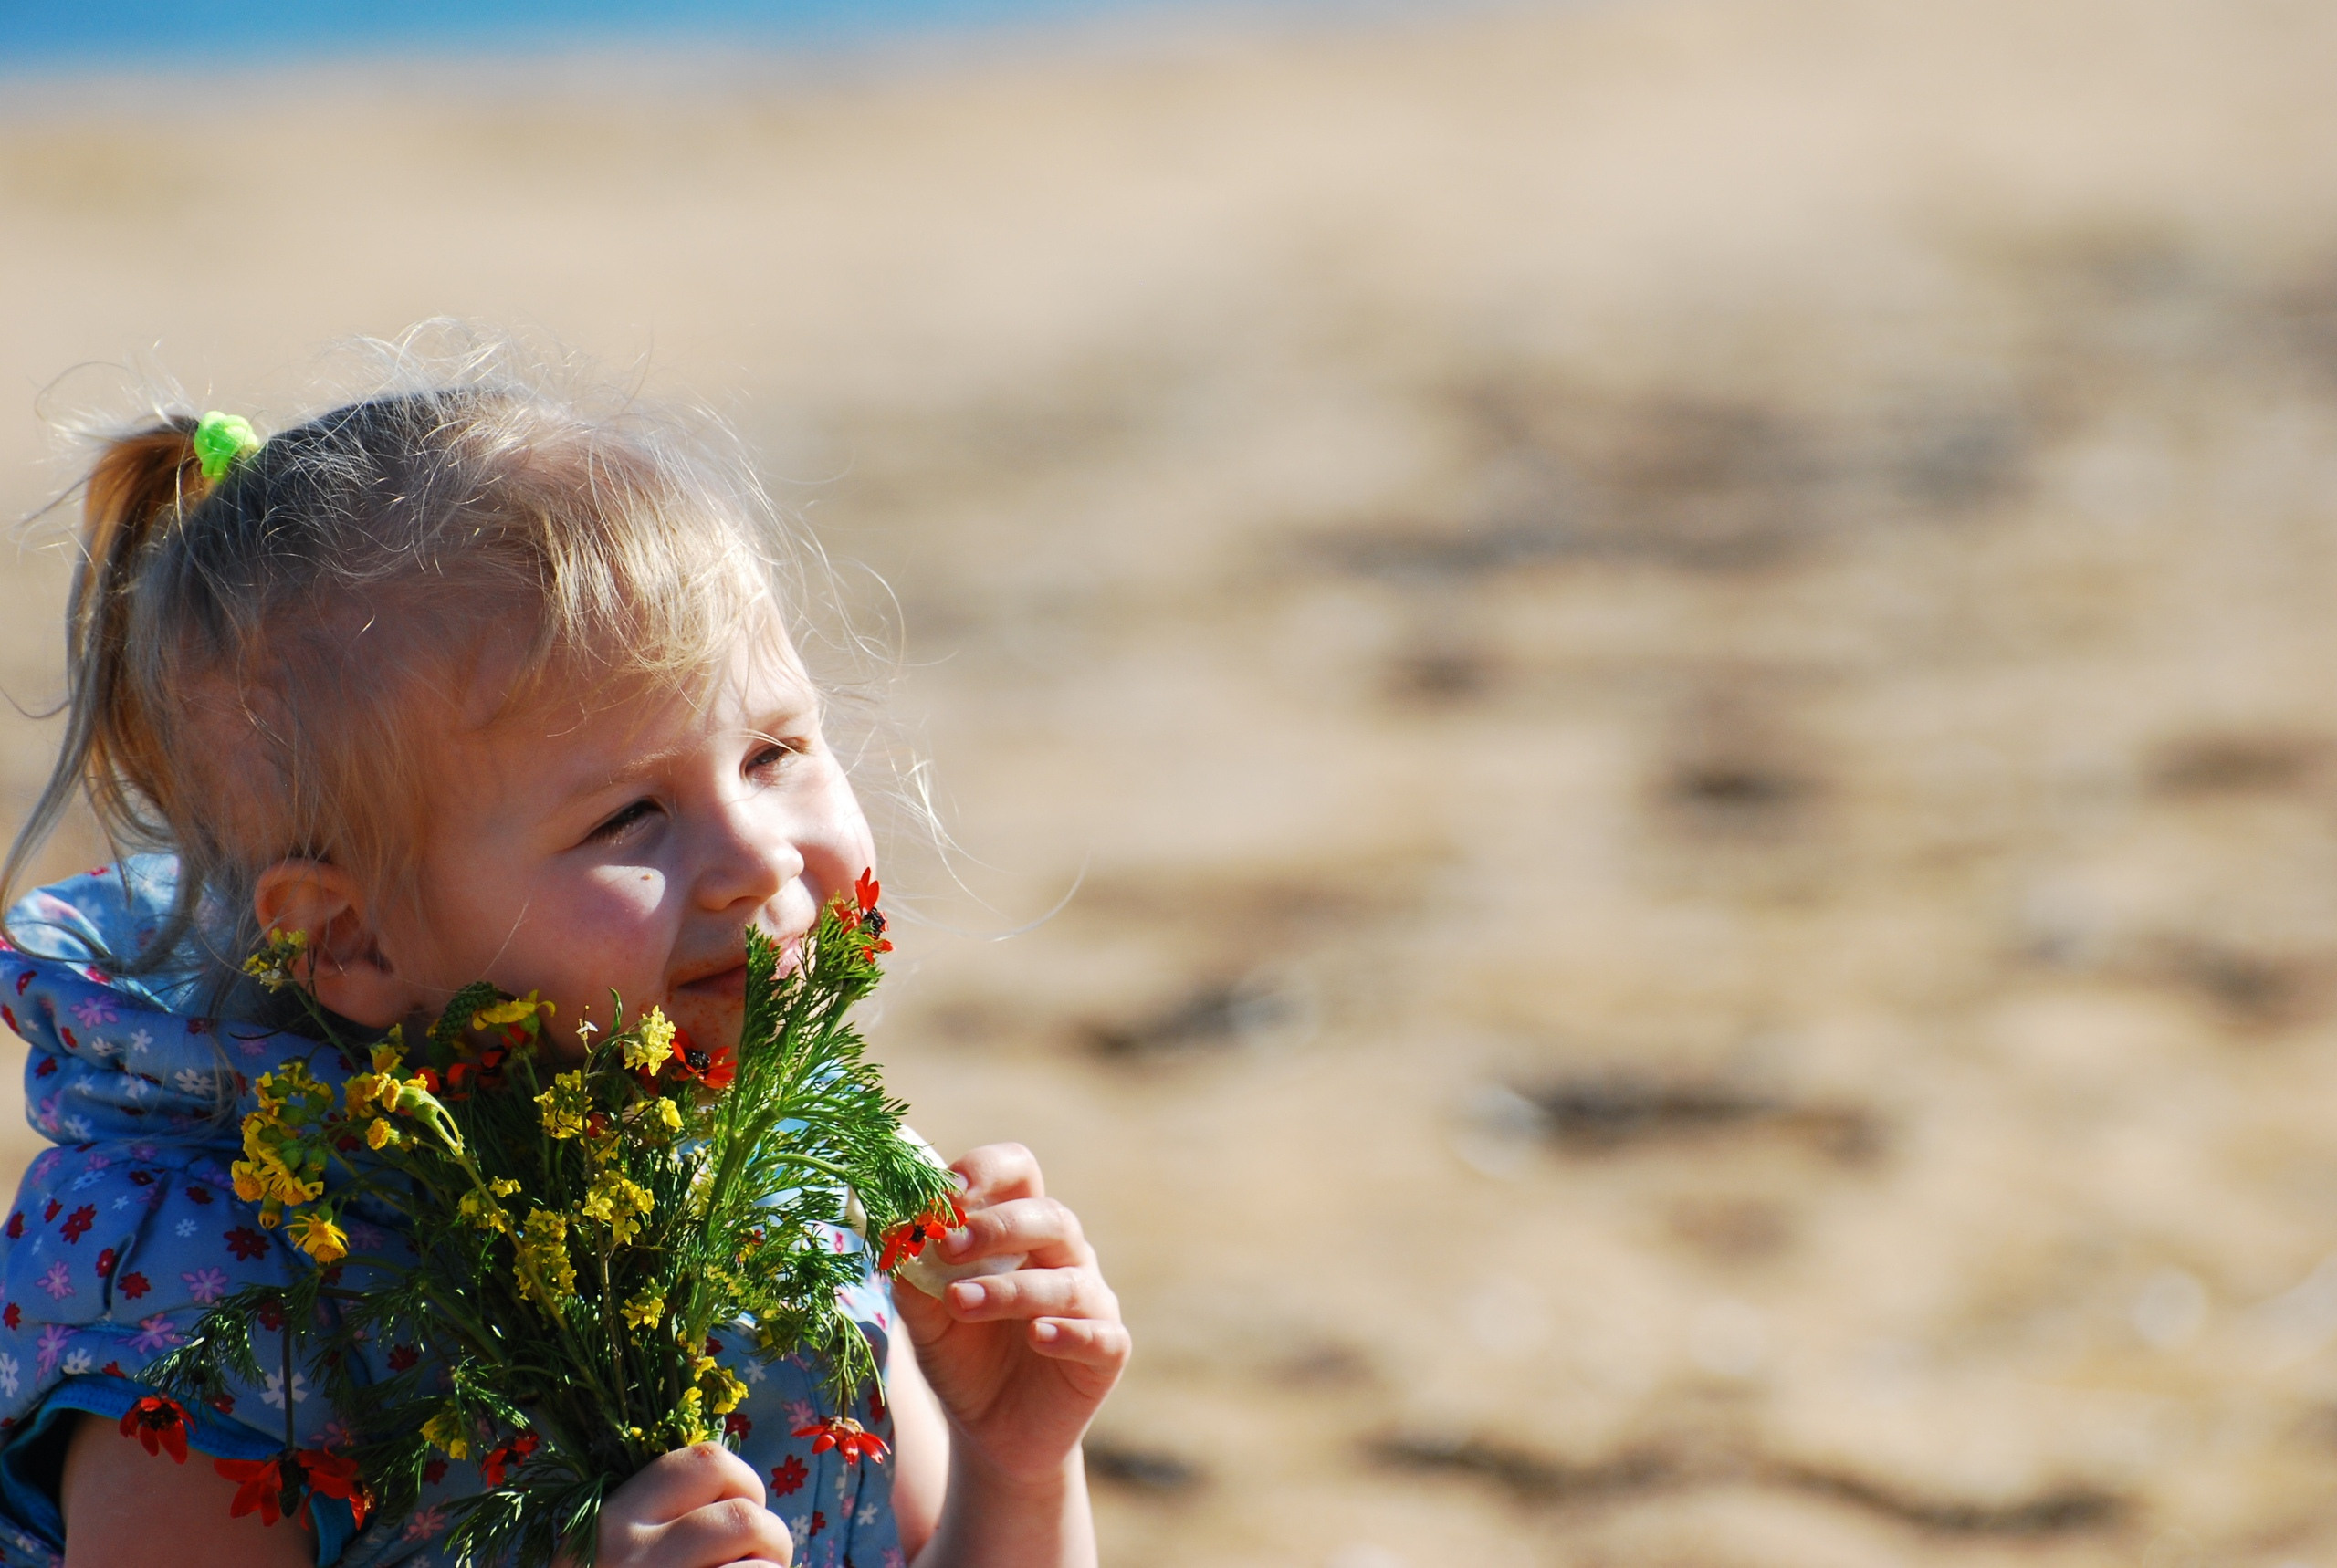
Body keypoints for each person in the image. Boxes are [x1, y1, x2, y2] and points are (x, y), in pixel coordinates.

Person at [0, 340, 1129, 1567]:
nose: (755, 856)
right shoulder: (213, 1294)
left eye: (773, 754)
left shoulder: (778, 1164)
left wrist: (1015, 1466)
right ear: (348, 933)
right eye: (626, 816)